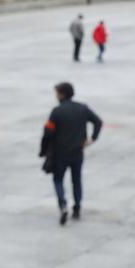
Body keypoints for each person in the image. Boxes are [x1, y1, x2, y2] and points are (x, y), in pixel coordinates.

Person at [39, 82, 103, 225]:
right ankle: (77, 207)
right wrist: (92, 138)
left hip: (60, 153)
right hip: (77, 151)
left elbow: (48, 132)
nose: (56, 96)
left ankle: (63, 206)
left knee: (58, 180)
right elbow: (98, 122)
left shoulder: (57, 112)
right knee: (76, 180)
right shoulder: (82, 108)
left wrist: (43, 150)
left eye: (57, 93)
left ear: (62, 94)